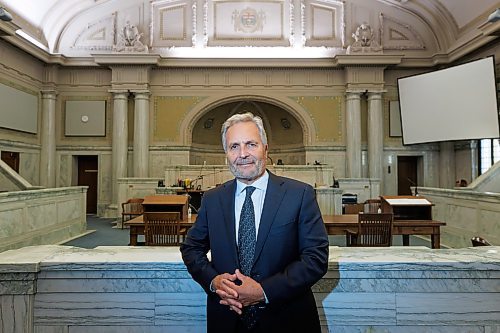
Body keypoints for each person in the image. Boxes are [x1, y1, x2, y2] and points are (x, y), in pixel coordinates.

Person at [180, 112, 329, 333]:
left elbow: (315, 258)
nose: (243, 154)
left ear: (265, 149)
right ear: (226, 154)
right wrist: (214, 282)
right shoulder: (212, 199)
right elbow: (191, 248)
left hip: (287, 319)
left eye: (251, 144)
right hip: (228, 319)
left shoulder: (299, 194)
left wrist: (263, 291)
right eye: (234, 147)